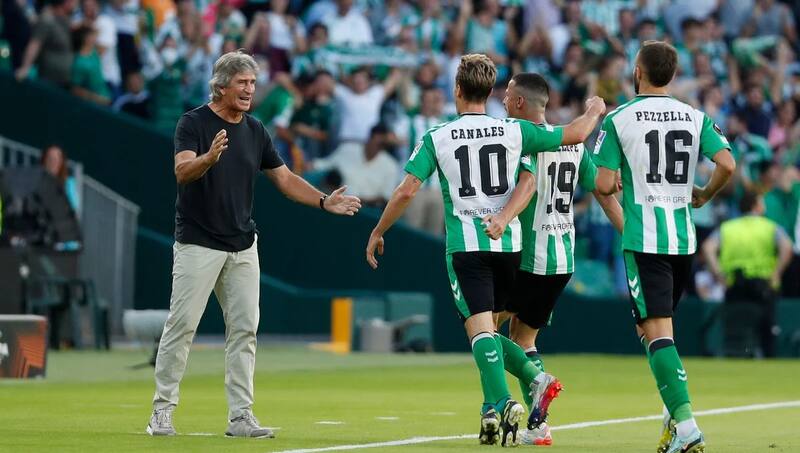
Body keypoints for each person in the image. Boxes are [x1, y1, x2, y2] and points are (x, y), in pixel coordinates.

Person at [365, 53, 606, 447]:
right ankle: (497, 406)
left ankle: (512, 395)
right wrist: (594, 111)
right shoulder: (514, 131)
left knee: (480, 332)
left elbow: (407, 190)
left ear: (457, 90)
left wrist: (379, 229)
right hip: (510, 247)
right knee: (490, 331)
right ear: (491, 92)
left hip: (467, 246)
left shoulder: (438, 136)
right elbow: (571, 139)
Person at [147, 50, 361, 438]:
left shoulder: (256, 129)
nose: (249, 90)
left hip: (243, 245)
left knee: (245, 330)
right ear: (221, 86)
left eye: (252, 83)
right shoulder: (193, 122)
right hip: (198, 242)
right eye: (242, 83)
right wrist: (209, 158)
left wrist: (323, 201)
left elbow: (285, 179)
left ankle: (240, 417)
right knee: (182, 326)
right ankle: (162, 411)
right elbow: (182, 171)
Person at [593, 40, 736, 453]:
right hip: (683, 242)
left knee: (657, 335)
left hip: (646, 242)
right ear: (672, 75)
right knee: (651, 330)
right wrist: (705, 193)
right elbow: (727, 164)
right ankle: (673, 420)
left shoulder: (619, 118)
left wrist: (621, 180)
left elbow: (602, 184)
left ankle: (687, 426)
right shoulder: (695, 116)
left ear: (637, 72)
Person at [483, 72, 624, 446]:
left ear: (519, 103)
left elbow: (524, 188)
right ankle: (538, 426)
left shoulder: (521, 140)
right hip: (562, 260)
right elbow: (604, 193)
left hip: (529, 257)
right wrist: (630, 235)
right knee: (522, 338)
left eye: (507, 96)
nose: (503, 101)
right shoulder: (573, 146)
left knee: (482, 329)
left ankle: (514, 394)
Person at [701, 190, 794, 357]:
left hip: (734, 284)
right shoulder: (770, 227)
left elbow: (708, 247)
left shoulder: (727, 228)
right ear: (756, 205)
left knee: (735, 327)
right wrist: (776, 272)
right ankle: (766, 360)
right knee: (766, 330)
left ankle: (735, 356)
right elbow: (787, 247)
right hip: (764, 285)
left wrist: (718, 274)